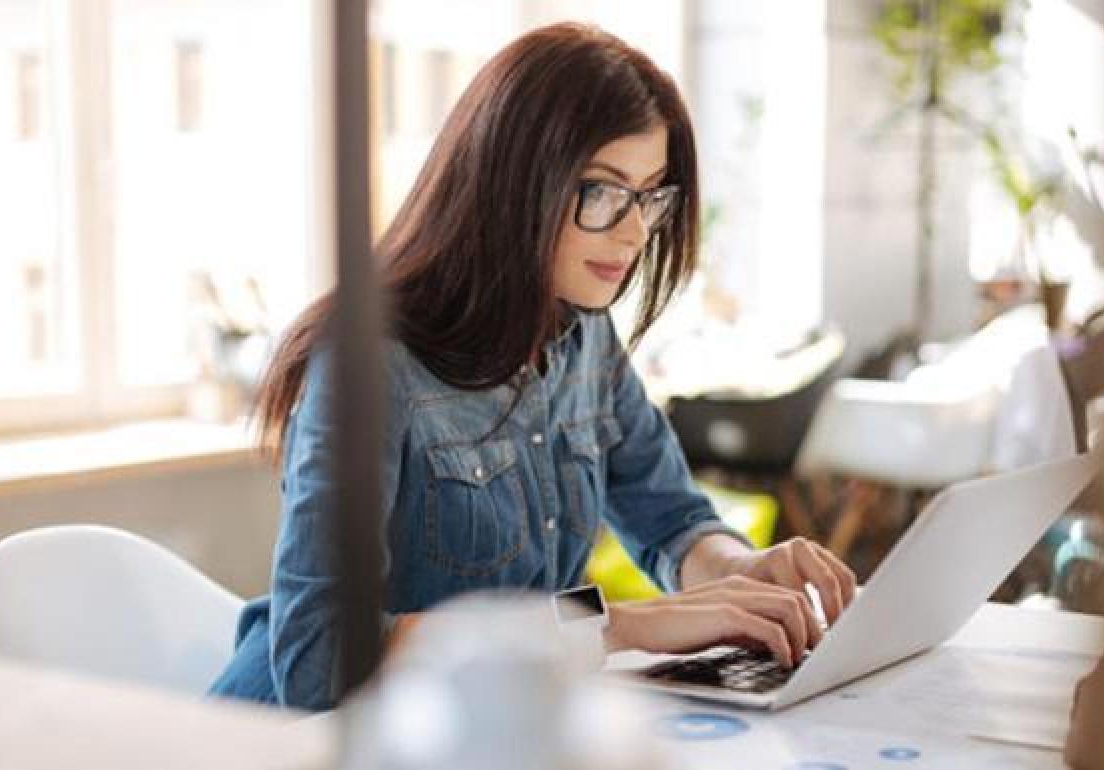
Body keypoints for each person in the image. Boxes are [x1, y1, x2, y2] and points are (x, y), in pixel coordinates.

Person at [208, 22, 856, 711]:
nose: (636, 231)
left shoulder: (584, 337)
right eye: (604, 192)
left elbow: (668, 517)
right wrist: (618, 624)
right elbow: (323, 659)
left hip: (487, 731)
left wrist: (741, 573)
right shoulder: (371, 366)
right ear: (515, 184)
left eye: (651, 196)